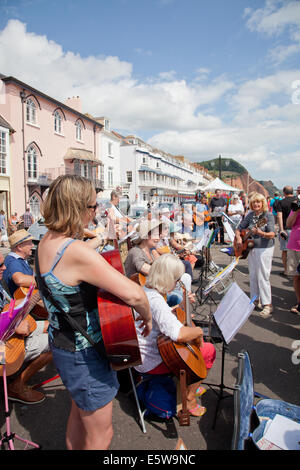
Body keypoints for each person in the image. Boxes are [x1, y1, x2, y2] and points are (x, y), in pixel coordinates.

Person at [36, 174, 152, 450]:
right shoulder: (76, 251)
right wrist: (147, 316)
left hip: (63, 347)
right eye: (92, 206)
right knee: (101, 436)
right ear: (76, 207)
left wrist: (94, 245)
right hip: (85, 355)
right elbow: (135, 294)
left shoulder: (46, 242)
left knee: (78, 413)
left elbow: (68, 266)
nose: (96, 210)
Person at [134, 254, 216, 416]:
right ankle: (189, 398)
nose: (177, 283)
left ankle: (189, 384)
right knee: (208, 350)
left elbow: (162, 317)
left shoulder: (147, 289)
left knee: (195, 341)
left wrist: (179, 307)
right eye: (176, 279)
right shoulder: (156, 299)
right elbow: (177, 334)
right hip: (152, 360)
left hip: (144, 353)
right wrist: (199, 332)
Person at [0, 252, 51, 404]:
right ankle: (17, 386)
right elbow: (20, 328)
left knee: (55, 326)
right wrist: (15, 327)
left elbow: (9, 307)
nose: (4, 268)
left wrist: (28, 303)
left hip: (11, 329)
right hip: (5, 346)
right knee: (57, 341)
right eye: (0, 265)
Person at [125, 219, 193, 307]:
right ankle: (181, 314)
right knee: (178, 297)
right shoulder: (135, 251)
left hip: (152, 289)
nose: (158, 238)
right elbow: (149, 270)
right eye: (156, 235)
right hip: (142, 294)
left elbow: (160, 268)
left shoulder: (150, 251)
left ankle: (184, 314)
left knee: (185, 280)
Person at [235, 193, 275, 318]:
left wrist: (260, 232)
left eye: (258, 202)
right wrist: (239, 238)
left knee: (263, 276)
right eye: (254, 203)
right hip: (252, 248)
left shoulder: (267, 216)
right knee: (253, 275)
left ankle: (267, 304)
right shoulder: (250, 215)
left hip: (265, 248)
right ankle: (254, 300)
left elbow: (272, 234)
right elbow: (239, 228)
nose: (256, 204)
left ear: (263, 203)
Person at [3, 230, 36, 297]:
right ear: (19, 247)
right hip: (19, 302)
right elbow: (20, 280)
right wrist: (45, 282)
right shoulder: (13, 261)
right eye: (30, 243)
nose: (32, 245)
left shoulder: (18, 260)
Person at [276, 186, 297, 277]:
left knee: (285, 251)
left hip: (286, 228)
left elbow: (279, 216)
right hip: (296, 229)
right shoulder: (297, 201)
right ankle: (296, 270)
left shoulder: (281, 202)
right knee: (296, 252)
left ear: (284, 192)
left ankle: (286, 270)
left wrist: (281, 229)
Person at [286, 195, 300, 314]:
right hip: (295, 245)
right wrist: (296, 212)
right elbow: (289, 224)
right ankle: (299, 302)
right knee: (296, 275)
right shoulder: (296, 208)